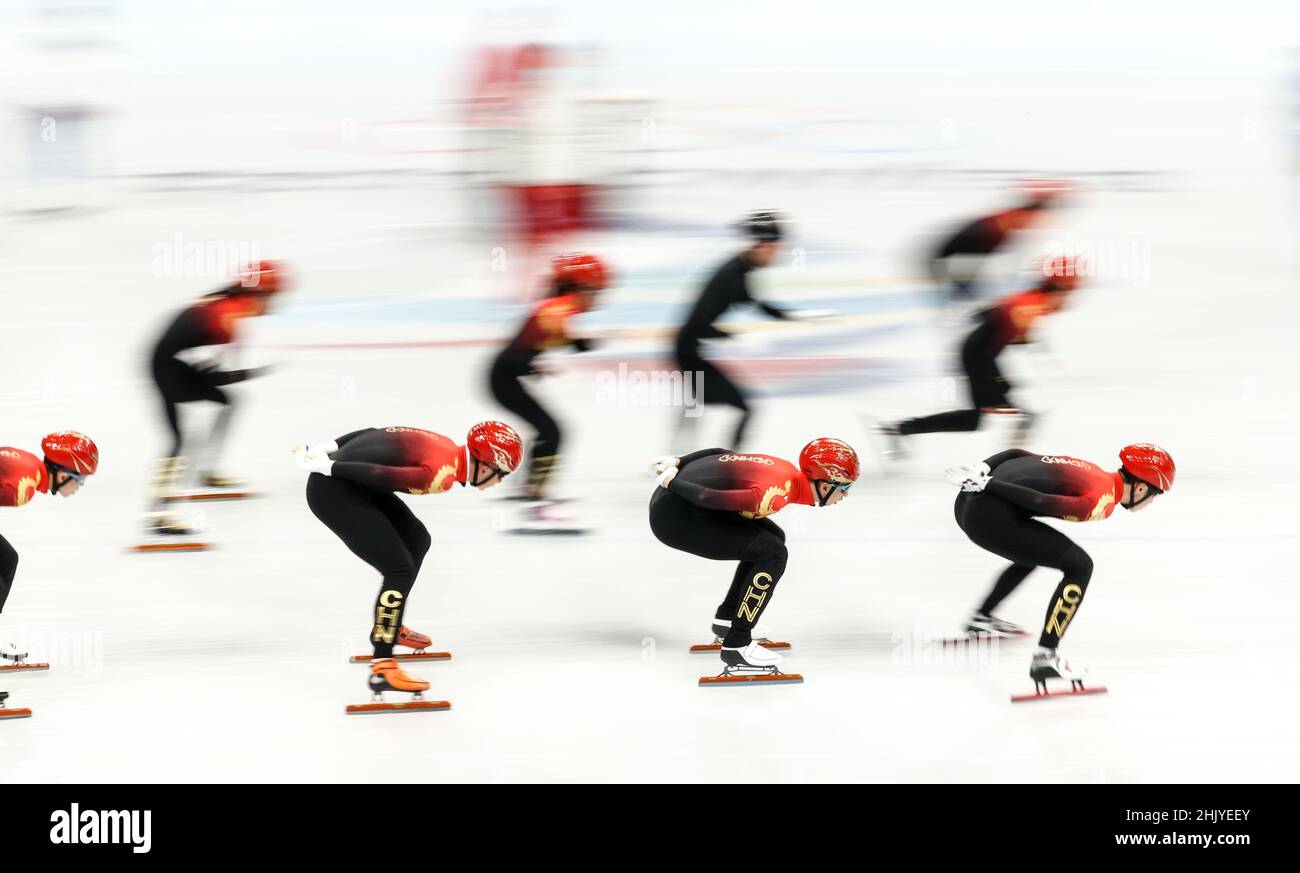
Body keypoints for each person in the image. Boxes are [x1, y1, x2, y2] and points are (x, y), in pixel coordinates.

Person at [294, 421, 522, 701]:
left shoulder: (446, 446)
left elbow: (372, 431)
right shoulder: (441, 476)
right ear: (486, 465)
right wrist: (327, 466)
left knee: (417, 540)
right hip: (334, 491)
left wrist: (327, 448)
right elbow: (381, 474)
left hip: (351, 482)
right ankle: (382, 666)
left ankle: (389, 624)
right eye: (502, 474)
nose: (498, 482)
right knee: (398, 568)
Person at [944, 443, 1175, 691]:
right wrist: (989, 484)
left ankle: (981, 619)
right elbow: (1043, 501)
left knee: (1032, 551)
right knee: (1080, 566)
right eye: (1155, 495)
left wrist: (981, 471)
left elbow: (1015, 453)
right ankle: (1046, 658)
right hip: (987, 516)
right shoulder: (1102, 501)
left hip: (965, 503)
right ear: (1141, 488)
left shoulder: (1092, 470)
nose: (1150, 502)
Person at [647, 438, 859, 674]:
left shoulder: (786, 471)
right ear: (823, 484)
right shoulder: (773, 495)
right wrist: (671, 482)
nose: (845, 495)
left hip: (682, 503)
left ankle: (726, 620)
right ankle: (737, 644)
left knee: (773, 537)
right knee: (774, 554)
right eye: (844, 487)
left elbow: (722, 453)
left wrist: (679, 461)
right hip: (674, 517)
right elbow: (708, 497)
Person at [878, 254, 1082, 455]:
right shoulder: (1032, 304)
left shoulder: (1034, 300)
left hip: (981, 353)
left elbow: (991, 314)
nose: (1070, 297)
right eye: (1070, 290)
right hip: (979, 356)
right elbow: (1005, 323)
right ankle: (901, 429)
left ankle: (901, 429)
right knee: (990, 416)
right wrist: (1022, 339)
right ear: (1061, 287)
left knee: (984, 412)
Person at [146, 260, 287, 534]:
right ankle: (159, 515)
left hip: (173, 361)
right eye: (275, 297)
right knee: (180, 441)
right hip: (168, 367)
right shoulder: (226, 318)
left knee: (227, 402)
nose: (276, 304)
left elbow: (211, 369)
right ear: (261, 295)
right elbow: (217, 376)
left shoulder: (227, 307)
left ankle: (205, 472)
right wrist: (256, 371)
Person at [488, 252, 607, 531]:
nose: (598, 299)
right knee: (552, 432)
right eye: (597, 291)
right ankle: (534, 494)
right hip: (504, 378)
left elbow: (538, 341)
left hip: (503, 375)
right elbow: (546, 335)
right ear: (583, 287)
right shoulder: (559, 307)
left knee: (547, 430)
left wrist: (575, 345)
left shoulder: (555, 306)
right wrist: (579, 343)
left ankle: (529, 487)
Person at [673, 211, 798, 450]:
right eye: (773, 249)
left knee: (696, 403)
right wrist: (736, 337)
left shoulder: (739, 270)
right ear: (760, 245)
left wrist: (795, 316)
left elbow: (757, 304)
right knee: (744, 407)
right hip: (687, 351)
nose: (775, 255)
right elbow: (697, 326)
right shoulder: (732, 275)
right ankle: (728, 465)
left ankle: (678, 459)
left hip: (688, 348)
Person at [0, 432, 99, 671]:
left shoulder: (30, 467)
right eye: (81, 480)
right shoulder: (25, 487)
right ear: (64, 475)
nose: (79, 488)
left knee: (6, 560)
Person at [928, 181, 1070, 302]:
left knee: (956, 256)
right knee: (956, 256)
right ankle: (960, 287)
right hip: (985, 233)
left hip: (985, 234)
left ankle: (960, 286)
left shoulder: (1022, 215)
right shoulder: (1021, 216)